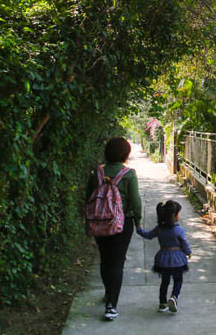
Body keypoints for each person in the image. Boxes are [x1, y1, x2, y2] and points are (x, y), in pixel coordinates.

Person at [85, 137, 142, 321]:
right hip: (121, 224)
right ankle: (111, 305)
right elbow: (136, 202)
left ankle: (108, 293)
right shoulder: (128, 174)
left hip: (99, 222)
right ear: (126, 154)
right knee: (117, 262)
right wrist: (138, 221)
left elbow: (88, 198)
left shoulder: (97, 173)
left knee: (104, 259)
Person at [136, 200, 192, 313]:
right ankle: (174, 297)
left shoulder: (159, 229)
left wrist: (139, 229)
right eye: (179, 213)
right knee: (178, 279)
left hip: (163, 259)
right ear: (173, 216)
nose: (180, 215)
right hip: (177, 259)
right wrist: (188, 253)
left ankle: (162, 303)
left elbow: (148, 235)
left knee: (164, 281)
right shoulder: (179, 230)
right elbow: (184, 243)